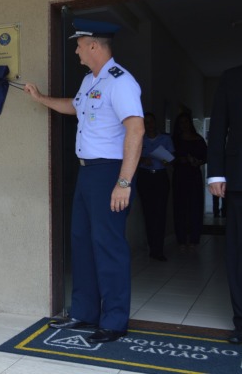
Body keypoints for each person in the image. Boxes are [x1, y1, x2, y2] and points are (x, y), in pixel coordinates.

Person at [24, 18, 144, 343]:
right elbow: (74, 108)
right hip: (88, 171)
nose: (75, 50)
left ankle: (114, 321)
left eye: (78, 44)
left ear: (93, 45)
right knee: (81, 241)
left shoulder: (121, 82)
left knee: (108, 245)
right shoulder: (90, 81)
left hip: (109, 172)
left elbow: (136, 129)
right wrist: (40, 98)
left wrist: (124, 182)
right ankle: (85, 313)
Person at [207, 64, 242, 344]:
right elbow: (218, 126)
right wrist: (216, 172)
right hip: (239, 178)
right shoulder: (232, 77)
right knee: (238, 253)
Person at [137, 112, 174, 261]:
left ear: (155, 123)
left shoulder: (165, 139)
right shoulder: (140, 139)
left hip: (160, 177)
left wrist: (165, 159)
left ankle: (158, 249)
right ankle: (152, 247)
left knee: (160, 213)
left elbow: (171, 160)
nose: (149, 125)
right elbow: (130, 155)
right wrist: (142, 160)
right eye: (146, 122)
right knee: (148, 213)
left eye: (151, 122)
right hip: (145, 177)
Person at [171, 111, 207, 250]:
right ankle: (181, 239)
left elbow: (206, 156)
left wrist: (198, 162)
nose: (184, 125)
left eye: (186, 122)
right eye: (181, 122)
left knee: (195, 207)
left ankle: (194, 239)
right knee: (180, 207)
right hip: (180, 176)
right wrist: (181, 160)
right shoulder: (175, 140)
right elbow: (168, 158)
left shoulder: (198, 139)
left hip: (194, 176)